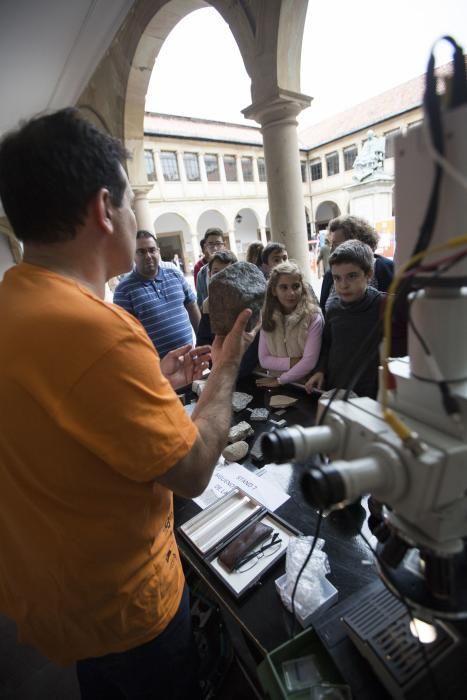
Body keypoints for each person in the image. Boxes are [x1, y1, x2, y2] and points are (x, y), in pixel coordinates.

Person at [0, 107, 256, 699]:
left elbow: (65, 428)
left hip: (62, 598)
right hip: (128, 611)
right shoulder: (100, 330)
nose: (135, 212)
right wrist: (225, 370)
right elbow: (191, 469)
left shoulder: (13, 302)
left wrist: (156, 384)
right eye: (129, 198)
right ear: (102, 208)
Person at [306, 240, 384, 399]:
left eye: (352, 276)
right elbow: (327, 344)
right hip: (336, 387)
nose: (343, 285)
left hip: (370, 395)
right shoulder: (333, 307)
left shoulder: (383, 306)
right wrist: (320, 370)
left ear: (369, 274)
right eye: (337, 278)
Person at [113, 230, 200, 358]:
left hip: (189, 358)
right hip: (156, 367)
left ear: (158, 251)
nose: (148, 255)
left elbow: (192, 306)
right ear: (133, 254)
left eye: (152, 250)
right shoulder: (123, 290)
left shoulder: (174, 274)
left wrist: (201, 339)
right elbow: (126, 335)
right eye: (141, 252)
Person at [256, 261, 323, 388]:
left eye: (296, 286)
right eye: (283, 287)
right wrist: (292, 362)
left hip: (305, 385)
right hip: (274, 382)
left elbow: (309, 362)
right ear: (274, 291)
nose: (291, 293)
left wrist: (281, 380)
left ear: (302, 287)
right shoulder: (266, 316)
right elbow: (264, 359)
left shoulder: (313, 316)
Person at [197, 250, 260, 378]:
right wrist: (217, 365)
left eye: (228, 272)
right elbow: (203, 345)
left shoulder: (249, 302)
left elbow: (254, 345)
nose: (221, 277)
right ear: (209, 275)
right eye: (216, 272)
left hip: (251, 373)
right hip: (221, 373)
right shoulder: (208, 305)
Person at [320, 215, 394, 313]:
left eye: (337, 245)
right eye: (332, 245)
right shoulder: (330, 275)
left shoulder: (387, 269)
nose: (333, 251)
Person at [196, 227, 225, 308]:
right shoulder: (201, 274)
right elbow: (200, 301)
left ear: (224, 245)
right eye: (211, 244)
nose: (215, 248)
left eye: (218, 243)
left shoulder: (235, 267)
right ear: (205, 246)